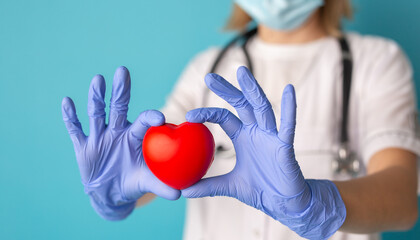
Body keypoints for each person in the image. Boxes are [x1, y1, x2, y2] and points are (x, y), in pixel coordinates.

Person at [61, 0, 420, 239]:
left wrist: (317, 203)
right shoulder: (207, 69)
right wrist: (118, 189)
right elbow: (155, 168)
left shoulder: (378, 61)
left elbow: (403, 198)